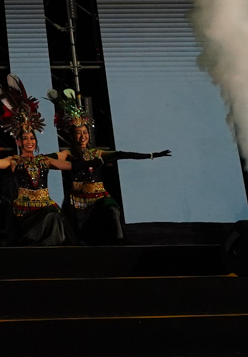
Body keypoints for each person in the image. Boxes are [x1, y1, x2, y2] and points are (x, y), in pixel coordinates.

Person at [44, 87, 169, 245]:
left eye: (85, 132)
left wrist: (150, 155)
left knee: (111, 209)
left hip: (99, 197)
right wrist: (33, 159)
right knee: (75, 233)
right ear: (72, 135)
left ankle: (118, 243)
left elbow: (121, 154)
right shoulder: (68, 154)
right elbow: (49, 158)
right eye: (78, 133)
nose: (82, 136)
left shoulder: (97, 153)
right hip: (77, 201)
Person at [0, 74, 70, 246]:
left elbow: (69, 164)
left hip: (45, 206)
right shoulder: (14, 161)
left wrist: (94, 159)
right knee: (51, 216)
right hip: (24, 212)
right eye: (25, 138)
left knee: (54, 215)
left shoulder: (44, 160)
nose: (29, 141)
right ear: (18, 142)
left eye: (32, 138)